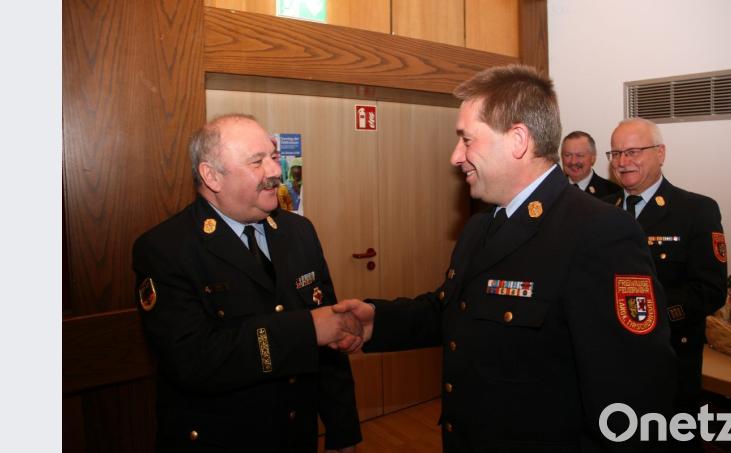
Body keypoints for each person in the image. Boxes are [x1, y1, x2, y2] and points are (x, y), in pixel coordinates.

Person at [334, 65, 676, 451]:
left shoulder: (598, 232)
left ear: (517, 140)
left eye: (466, 140)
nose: (455, 156)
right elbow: (455, 309)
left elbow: (635, 391)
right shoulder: (481, 226)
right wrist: (376, 322)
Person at [132, 114, 362, 452]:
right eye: (257, 161)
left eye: (273, 157)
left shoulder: (299, 232)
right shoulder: (165, 249)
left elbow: (331, 340)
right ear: (212, 176)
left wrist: (343, 432)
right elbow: (193, 362)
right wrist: (306, 330)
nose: (274, 171)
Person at [604, 118, 728, 449]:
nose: (622, 161)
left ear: (660, 153)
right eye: (615, 153)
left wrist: (648, 316)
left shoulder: (696, 210)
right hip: (609, 364)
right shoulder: (601, 212)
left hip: (669, 362)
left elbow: (710, 291)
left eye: (632, 151)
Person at [561, 130, 621, 198]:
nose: (573, 161)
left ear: (593, 158)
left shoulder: (613, 192)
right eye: (567, 155)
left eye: (580, 155)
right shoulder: (552, 188)